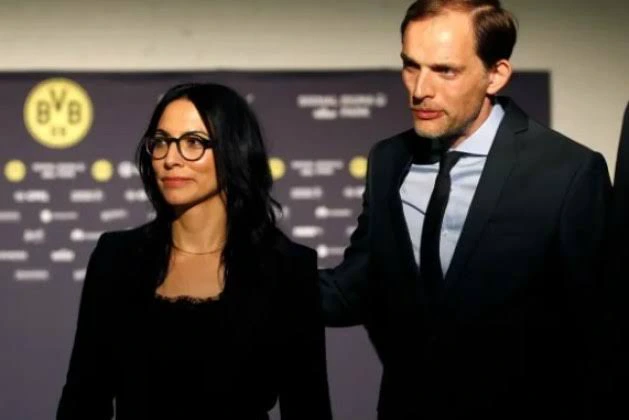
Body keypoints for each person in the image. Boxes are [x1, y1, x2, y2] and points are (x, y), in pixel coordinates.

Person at [319, 1, 611, 418]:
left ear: (496, 74)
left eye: (445, 71)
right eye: (411, 66)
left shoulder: (568, 172)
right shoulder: (388, 160)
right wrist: (241, 273)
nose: (420, 89)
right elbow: (356, 287)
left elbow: (599, 332)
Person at [57, 83, 332, 420]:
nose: (170, 159)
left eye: (193, 143)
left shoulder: (287, 267)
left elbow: (309, 407)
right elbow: (83, 400)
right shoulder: (116, 258)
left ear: (233, 150)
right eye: (161, 142)